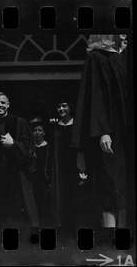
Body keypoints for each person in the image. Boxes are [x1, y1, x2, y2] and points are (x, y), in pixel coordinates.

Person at [72, 35, 128, 228]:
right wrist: (103, 130)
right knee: (111, 188)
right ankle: (112, 241)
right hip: (111, 134)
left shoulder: (124, 58)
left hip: (126, 134)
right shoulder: (97, 58)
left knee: (125, 190)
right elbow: (94, 96)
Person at [0, 92, 38, 227]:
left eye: (3, 103)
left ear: (8, 105)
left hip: (17, 176)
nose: (0, 105)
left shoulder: (19, 122)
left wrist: (14, 144)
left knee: (20, 214)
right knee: (0, 214)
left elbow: (30, 148)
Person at [49, 98, 85, 227]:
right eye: (58, 106)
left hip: (75, 167)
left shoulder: (78, 126)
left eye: (64, 105)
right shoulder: (54, 127)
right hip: (59, 168)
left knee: (76, 199)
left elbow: (82, 149)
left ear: (70, 107)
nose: (61, 109)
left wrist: (82, 169)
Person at [29, 117, 55, 226]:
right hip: (32, 181)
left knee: (45, 208)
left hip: (45, 182)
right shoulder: (30, 148)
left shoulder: (49, 147)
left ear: (44, 132)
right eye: (35, 131)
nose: (37, 133)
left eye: (40, 130)